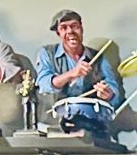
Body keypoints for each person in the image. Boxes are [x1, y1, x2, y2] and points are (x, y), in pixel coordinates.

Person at [32, 9, 122, 146]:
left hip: (92, 127)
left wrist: (108, 94)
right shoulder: (47, 53)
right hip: (56, 128)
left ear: (81, 29)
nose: (70, 31)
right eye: (64, 28)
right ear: (58, 33)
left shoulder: (98, 57)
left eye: (74, 26)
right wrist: (72, 73)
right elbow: (44, 84)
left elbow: (114, 92)